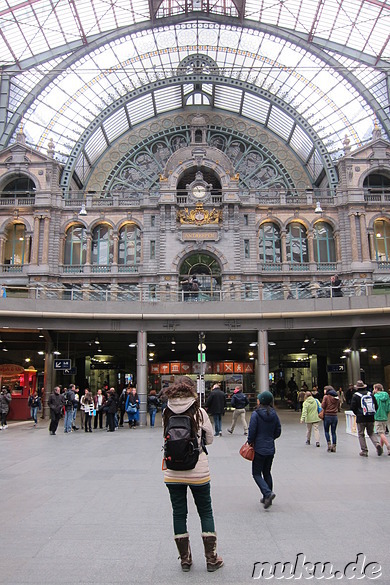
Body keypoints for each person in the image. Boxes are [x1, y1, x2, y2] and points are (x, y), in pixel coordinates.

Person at [162, 377, 223, 573]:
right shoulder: (199, 412)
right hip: (198, 470)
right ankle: (211, 559)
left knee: (179, 513)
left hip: (172, 471)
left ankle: (185, 559)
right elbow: (210, 439)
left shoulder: (166, 411)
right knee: (205, 511)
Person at [247, 390, 281, 510]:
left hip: (259, 448)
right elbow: (278, 430)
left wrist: (250, 441)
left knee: (256, 473)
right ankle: (267, 497)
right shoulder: (274, 414)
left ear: (261, 401)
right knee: (267, 472)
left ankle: (267, 493)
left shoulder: (256, 414)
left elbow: (252, 430)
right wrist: (271, 438)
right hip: (270, 447)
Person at [350, 380, 382, 457]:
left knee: (361, 434)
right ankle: (377, 444)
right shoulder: (370, 394)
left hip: (360, 418)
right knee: (371, 433)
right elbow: (376, 406)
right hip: (370, 417)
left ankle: (364, 451)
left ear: (357, 388)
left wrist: (357, 414)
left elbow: (352, 407)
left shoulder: (355, 395)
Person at [373, 383, 390, 455]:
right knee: (382, 431)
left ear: (376, 389)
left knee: (380, 432)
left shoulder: (375, 396)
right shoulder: (386, 395)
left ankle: (388, 446)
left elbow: (373, 406)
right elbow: (388, 405)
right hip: (385, 416)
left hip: (378, 416)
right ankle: (381, 448)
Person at [321, 385, 340, 452]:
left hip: (327, 416)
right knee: (333, 432)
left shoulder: (326, 397)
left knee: (326, 431)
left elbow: (323, 406)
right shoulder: (337, 398)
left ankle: (329, 445)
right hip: (334, 416)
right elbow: (338, 407)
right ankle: (334, 446)